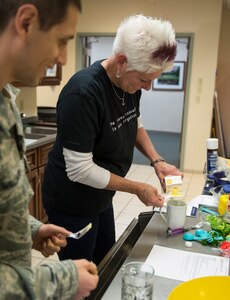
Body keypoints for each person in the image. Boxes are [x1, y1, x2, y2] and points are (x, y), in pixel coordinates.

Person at [42, 14, 183, 266]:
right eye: (144, 79)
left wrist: (157, 160)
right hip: (72, 201)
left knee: (107, 260)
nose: (148, 88)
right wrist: (137, 187)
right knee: (82, 273)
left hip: (101, 195)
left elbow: (133, 120)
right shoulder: (83, 94)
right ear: (121, 61)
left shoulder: (128, 84)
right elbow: (80, 170)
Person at [0, 1, 99, 299]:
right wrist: (60, 280)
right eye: (61, 40)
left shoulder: (5, 99)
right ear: (27, 22)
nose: (62, 57)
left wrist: (28, 229)